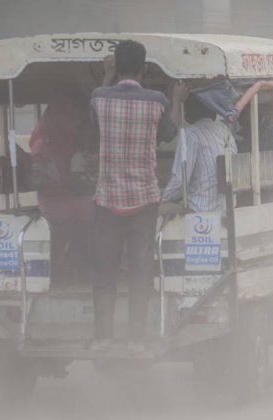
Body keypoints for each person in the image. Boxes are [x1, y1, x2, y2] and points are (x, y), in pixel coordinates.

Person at [90, 40, 187, 352]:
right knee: (140, 271)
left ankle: (103, 338)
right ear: (144, 69)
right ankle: (135, 340)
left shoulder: (99, 97)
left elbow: (94, 123)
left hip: (107, 199)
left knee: (105, 271)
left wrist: (107, 76)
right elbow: (169, 134)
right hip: (144, 199)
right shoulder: (157, 101)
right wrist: (177, 98)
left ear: (116, 66)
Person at [28, 95, 97, 287]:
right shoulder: (43, 146)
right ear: (57, 118)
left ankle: (79, 271)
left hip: (70, 201)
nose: (77, 123)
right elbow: (38, 179)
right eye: (72, 118)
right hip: (57, 204)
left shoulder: (69, 144)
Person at [161, 94, 237, 212]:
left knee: (161, 209)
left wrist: (162, 198)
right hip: (228, 207)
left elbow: (180, 181)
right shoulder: (225, 131)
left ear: (188, 114)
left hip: (200, 209)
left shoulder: (190, 134)